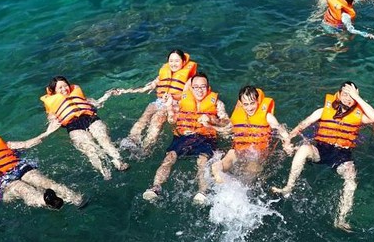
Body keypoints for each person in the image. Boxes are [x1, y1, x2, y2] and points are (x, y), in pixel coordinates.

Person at [271, 82, 374, 231]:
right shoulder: (323, 111)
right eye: (345, 94)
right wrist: (288, 139)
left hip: (342, 155)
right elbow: (303, 124)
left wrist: (356, 97)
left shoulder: (360, 116)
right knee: (303, 149)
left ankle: (341, 219)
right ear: (338, 94)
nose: (348, 98)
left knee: (351, 181)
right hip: (321, 149)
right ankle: (288, 188)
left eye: (352, 95)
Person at [142, 72, 230, 205]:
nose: (200, 90)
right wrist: (169, 106)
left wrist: (212, 119)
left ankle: (202, 191)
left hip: (205, 137)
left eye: (203, 86)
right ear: (191, 88)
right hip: (183, 136)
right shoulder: (181, 101)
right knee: (169, 157)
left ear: (208, 87)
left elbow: (226, 122)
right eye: (196, 87)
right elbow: (172, 120)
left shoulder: (217, 103)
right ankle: (156, 187)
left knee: (202, 161)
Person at [104, 49, 198, 154]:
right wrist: (126, 91)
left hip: (171, 105)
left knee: (156, 120)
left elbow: (189, 97)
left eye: (177, 61)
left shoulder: (190, 80)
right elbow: (149, 87)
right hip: (159, 101)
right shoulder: (163, 73)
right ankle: (132, 139)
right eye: (171, 61)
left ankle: (146, 148)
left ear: (183, 62)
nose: (173, 64)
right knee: (144, 117)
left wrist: (172, 102)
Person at [40, 76, 128, 180]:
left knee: (104, 140)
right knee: (90, 150)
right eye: (60, 88)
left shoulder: (78, 95)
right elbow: (52, 120)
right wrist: (48, 131)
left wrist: (107, 95)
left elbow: (96, 103)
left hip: (90, 118)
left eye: (65, 86)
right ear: (54, 91)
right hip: (73, 125)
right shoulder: (52, 106)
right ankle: (104, 171)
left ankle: (119, 162)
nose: (64, 89)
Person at [211, 86, 292, 184]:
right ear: (241, 104)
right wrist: (211, 125)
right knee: (226, 160)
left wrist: (287, 143)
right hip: (240, 149)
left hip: (257, 152)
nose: (249, 108)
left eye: (252, 103)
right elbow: (226, 131)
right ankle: (220, 174)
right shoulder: (237, 117)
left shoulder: (267, 117)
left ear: (257, 101)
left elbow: (282, 131)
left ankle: (235, 183)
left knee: (250, 169)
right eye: (246, 104)